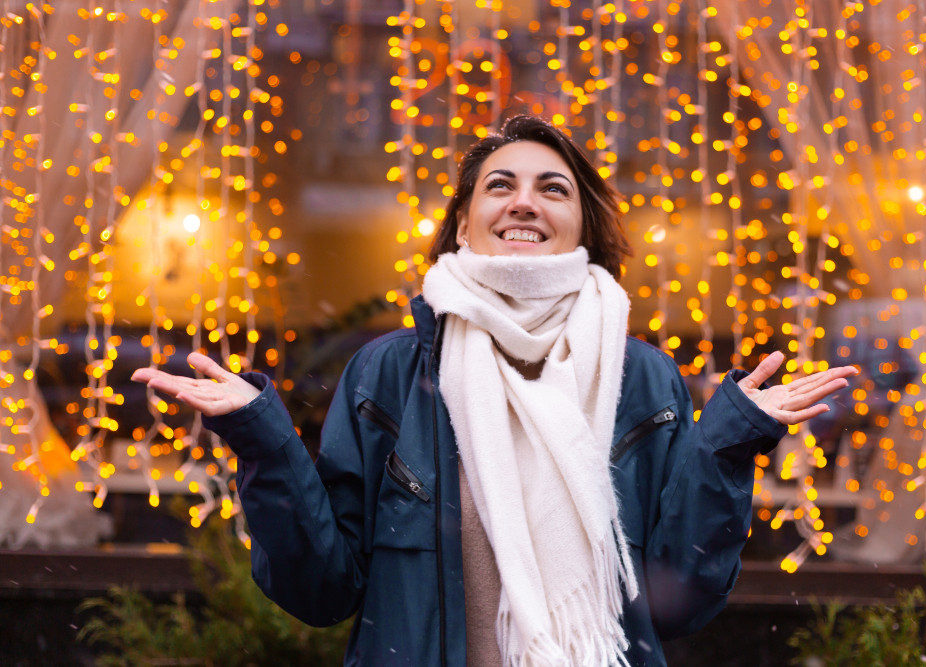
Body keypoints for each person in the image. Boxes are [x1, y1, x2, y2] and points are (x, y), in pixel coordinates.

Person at [133, 115, 856, 666]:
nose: (524, 202)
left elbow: (676, 596)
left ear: (584, 224)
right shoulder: (389, 372)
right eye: (500, 185)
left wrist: (727, 442)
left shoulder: (641, 377)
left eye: (553, 187)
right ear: (463, 223)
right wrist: (264, 437)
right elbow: (322, 588)